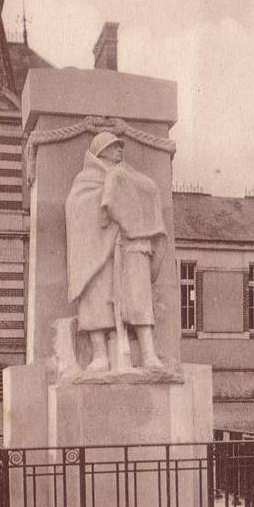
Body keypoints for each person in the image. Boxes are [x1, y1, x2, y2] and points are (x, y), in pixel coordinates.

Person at [66, 131, 167, 371]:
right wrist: (106, 208)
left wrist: (129, 215)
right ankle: (99, 354)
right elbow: (76, 208)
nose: (120, 150)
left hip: (129, 244)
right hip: (97, 250)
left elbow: (147, 194)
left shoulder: (128, 175)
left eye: (120, 147)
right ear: (101, 151)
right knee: (96, 296)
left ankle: (148, 353)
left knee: (138, 296)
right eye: (113, 147)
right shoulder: (86, 179)